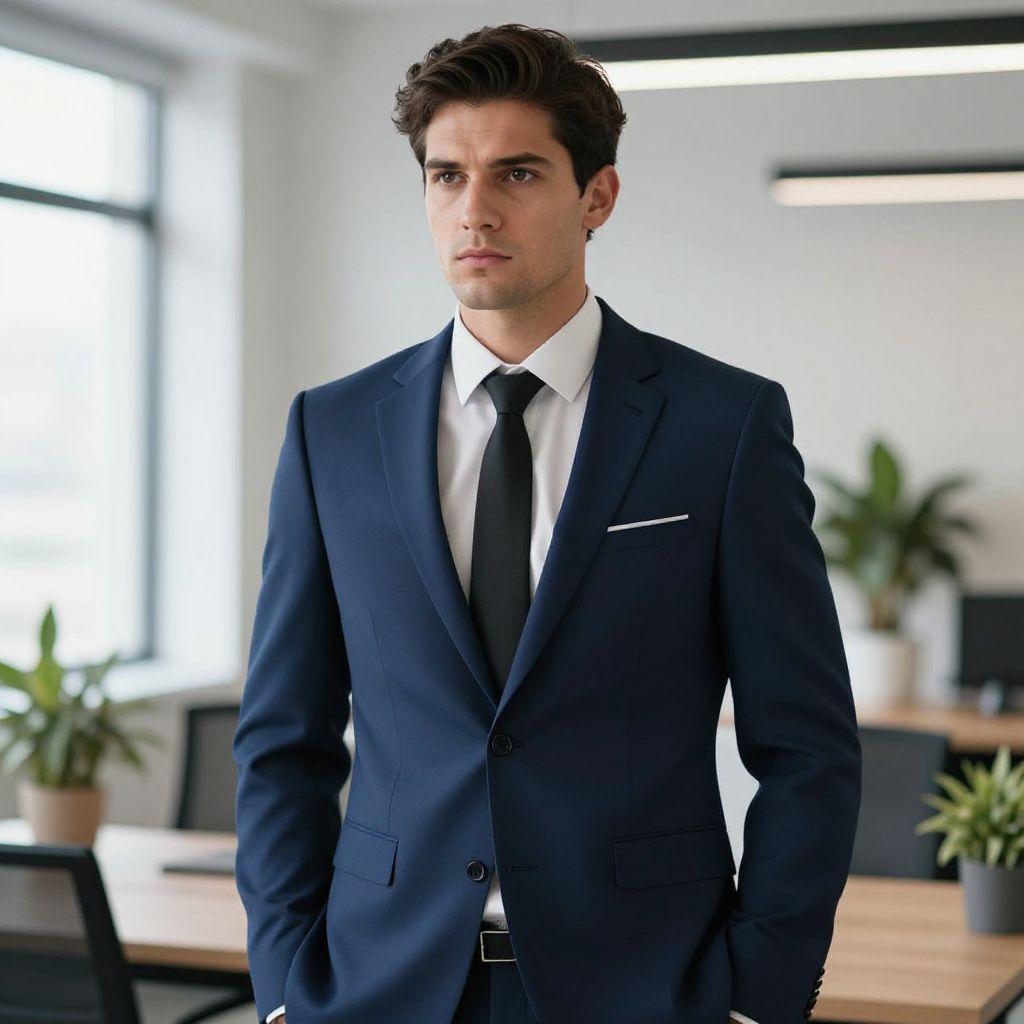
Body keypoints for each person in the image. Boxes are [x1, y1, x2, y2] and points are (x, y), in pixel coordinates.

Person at [232, 22, 861, 1024]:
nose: (472, 209)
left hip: (645, 987)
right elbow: (282, 740)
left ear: (596, 196)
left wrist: (757, 995)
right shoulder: (333, 430)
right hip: (377, 987)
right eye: (445, 176)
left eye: (516, 173)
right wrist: (283, 987)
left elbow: (807, 746)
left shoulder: (721, 426)